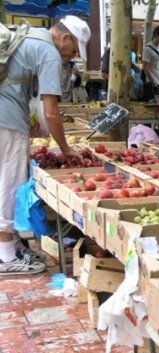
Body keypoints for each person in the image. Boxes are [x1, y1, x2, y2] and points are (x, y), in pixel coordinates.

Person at [0, 16, 90, 275]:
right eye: (73, 51)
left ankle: (10, 245)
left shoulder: (31, 35)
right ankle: (6, 255)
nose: (70, 57)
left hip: (5, 117)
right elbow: (51, 112)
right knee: (9, 183)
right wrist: (65, 148)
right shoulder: (49, 52)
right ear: (66, 38)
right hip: (7, 120)